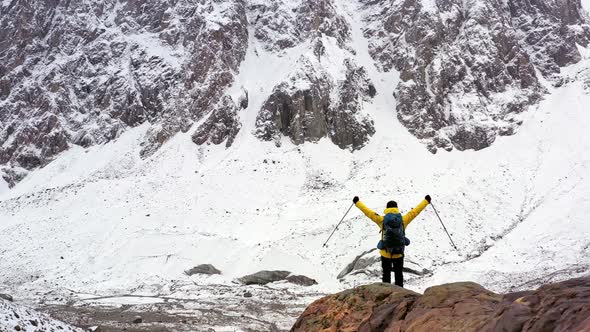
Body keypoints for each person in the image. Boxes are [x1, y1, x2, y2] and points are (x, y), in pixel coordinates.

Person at [352, 195, 431, 287]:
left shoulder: (382, 220)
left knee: (386, 275)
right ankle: (400, 294)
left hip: (385, 253)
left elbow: (368, 212)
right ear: (396, 209)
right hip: (399, 253)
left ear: (387, 209)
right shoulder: (403, 220)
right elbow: (415, 211)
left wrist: (357, 203)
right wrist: (426, 201)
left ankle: (386, 294)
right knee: (398, 275)